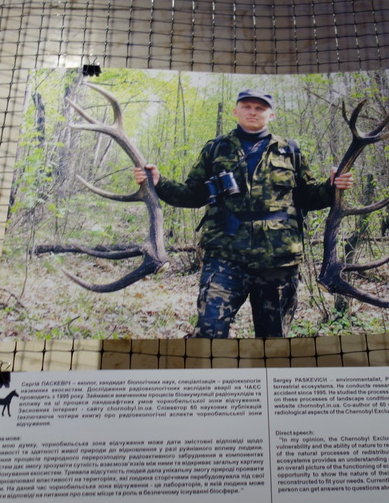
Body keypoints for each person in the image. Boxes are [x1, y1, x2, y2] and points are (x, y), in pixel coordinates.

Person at [134, 89, 354, 338]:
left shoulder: (290, 151)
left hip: (278, 262)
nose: (253, 112)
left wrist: (331, 186)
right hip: (224, 259)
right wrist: (159, 181)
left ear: (271, 115)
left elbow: (307, 198)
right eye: (247, 106)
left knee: (273, 339)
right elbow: (192, 196)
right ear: (235, 111)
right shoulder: (216, 149)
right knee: (209, 332)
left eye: (260, 108)